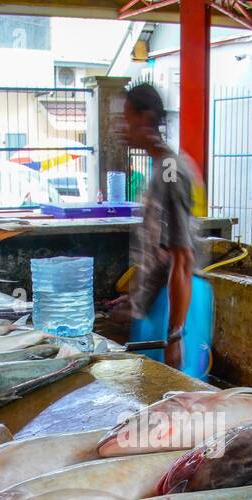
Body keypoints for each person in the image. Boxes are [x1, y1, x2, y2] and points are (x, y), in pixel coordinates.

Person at [108, 83, 213, 378]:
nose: (121, 128)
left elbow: (183, 259)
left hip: (179, 304)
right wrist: (137, 296)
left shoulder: (171, 172)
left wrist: (176, 335)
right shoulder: (158, 169)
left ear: (146, 118)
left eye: (126, 118)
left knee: (178, 401)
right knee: (151, 396)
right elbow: (161, 249)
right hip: (160, 302)